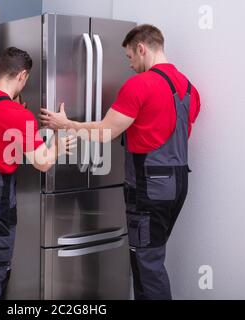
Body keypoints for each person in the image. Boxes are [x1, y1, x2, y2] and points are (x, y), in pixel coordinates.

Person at [40, 24, 201, 300]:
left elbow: (105, 133)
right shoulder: (189, 88)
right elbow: (175, 132)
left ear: (141, 48)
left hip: (148, 188)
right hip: (177, 184)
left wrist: (66, 124)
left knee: (147, 266)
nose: (130, 65)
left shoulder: (140, 84)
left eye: (129, 58)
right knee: (149, 259)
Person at [0, 47, 75, 300]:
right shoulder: (18, 115)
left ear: (0, 70)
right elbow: (42, 163)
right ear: (22, 76)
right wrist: (59, 147)